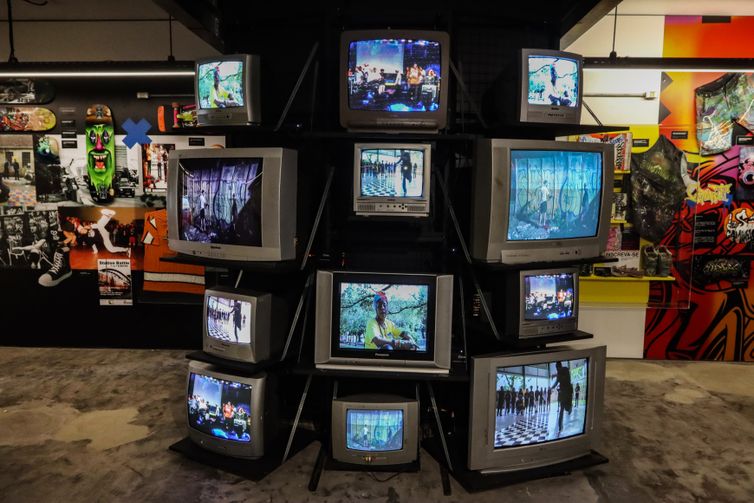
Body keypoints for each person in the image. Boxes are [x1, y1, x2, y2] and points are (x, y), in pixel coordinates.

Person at [551, 361, 574, 435]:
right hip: (564, 393)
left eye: (557, 368)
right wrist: (552, 387)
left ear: (558, 367)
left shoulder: (563, 371)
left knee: (565, 409)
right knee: (562, 410)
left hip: (567, 392)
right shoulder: (563, 371)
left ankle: (570, 407)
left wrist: (552, 387)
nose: (557, 369)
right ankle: (560, 427)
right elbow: (557, 381)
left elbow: (557, 381)